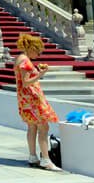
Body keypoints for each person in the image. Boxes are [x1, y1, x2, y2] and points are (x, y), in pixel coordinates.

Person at [14, 33, 61, 171]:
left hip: (25, 99)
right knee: (43, 127)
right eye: (37, 51)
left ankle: (33, 156)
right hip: (32, 98)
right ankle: (45, 159)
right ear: (31, 48)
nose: (38, 54)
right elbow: (26, 82)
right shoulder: (26, 61)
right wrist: (41, 74)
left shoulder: (20, 59)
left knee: (32, 127)